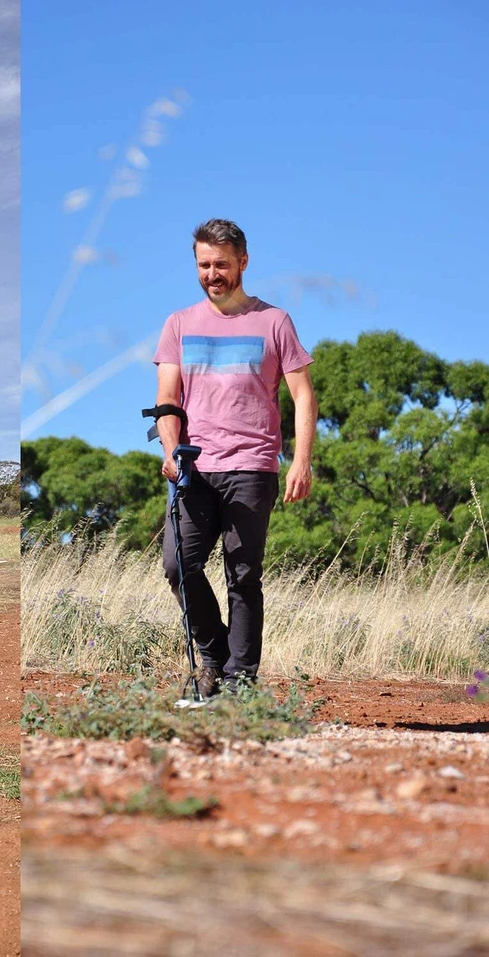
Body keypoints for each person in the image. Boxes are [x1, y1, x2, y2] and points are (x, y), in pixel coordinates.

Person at [152, 219, 317, 697]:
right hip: (194, 467)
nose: (212, 273)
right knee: (177, 565)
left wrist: (300, 461)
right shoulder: (178, 324)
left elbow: (303, 395)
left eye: (221, 264)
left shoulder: (274, 321)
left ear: (243, 261)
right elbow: (167, 397)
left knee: (243, 574)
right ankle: (215, 658)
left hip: (252, 464)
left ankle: (240, 681)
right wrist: (170, 450)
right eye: (203, 265)